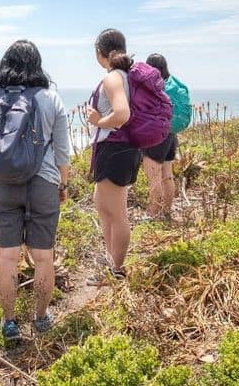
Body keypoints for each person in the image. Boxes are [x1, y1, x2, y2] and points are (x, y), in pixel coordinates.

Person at [0, 39, 71, 343]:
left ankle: (9, 323)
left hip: (4, 186)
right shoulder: (50, 98)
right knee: (43, 256)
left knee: (8, 257)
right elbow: (62, 153)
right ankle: (41, 319)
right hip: (43, 183)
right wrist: (63, 184)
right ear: (37, 64)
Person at [84, 28, 138, 285]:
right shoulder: (126, 76)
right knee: (105, 207)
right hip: (121, 149)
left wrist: (98, 120)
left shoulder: (113, 78)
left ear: (99, 53)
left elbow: (122, 114)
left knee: (116, 212)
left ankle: (116, 270)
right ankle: (111, 262)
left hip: (115, 148)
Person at [144, 53, 184, 221]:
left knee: (154, 177)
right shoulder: (173, 84)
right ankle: (167, 211)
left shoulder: (154, 86)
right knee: (167, 175)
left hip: (157, 136)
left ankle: (154, 215)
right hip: (171, 135)